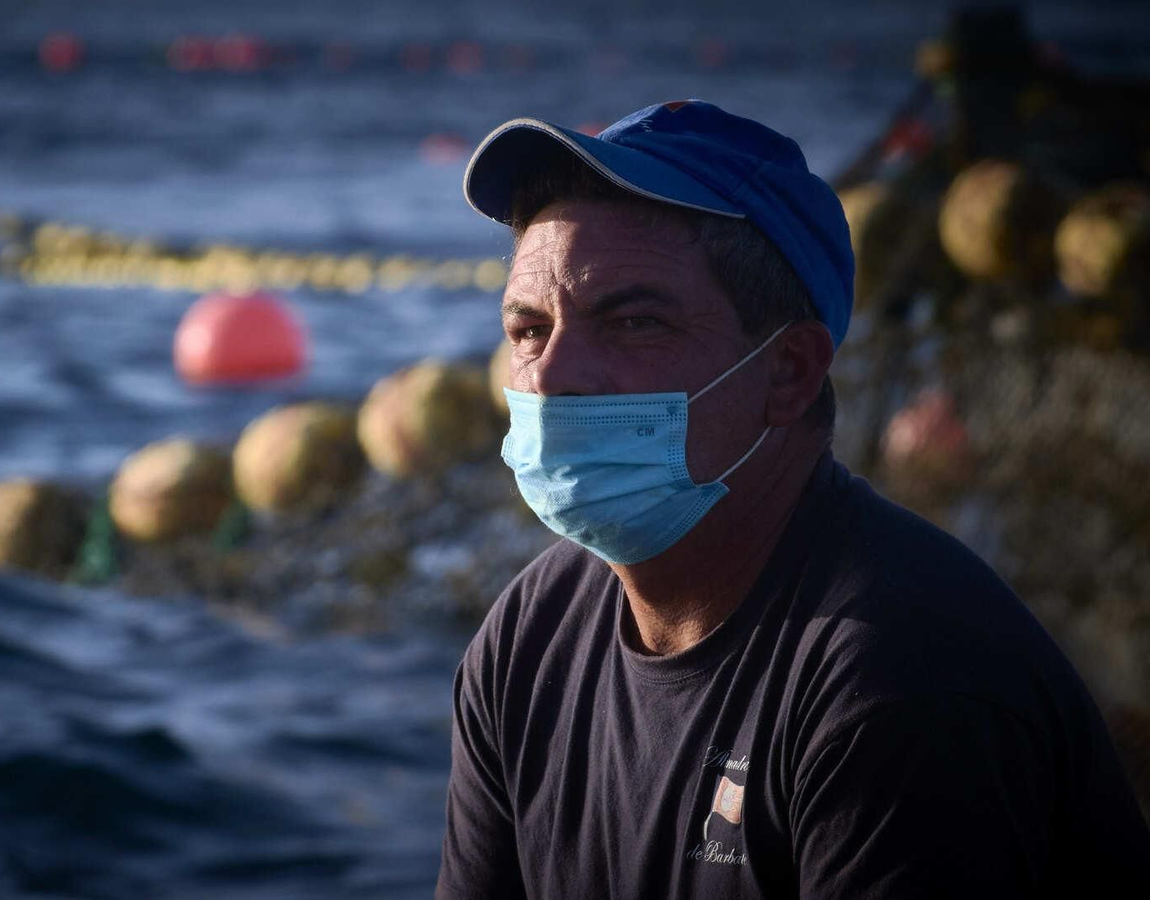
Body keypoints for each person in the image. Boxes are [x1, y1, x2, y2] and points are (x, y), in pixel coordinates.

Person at [437, 100, 1150, 899]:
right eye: (528, 329)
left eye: (634, 321)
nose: (553, 373)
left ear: (789, 372)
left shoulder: (903, 678)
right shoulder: (528, 641)